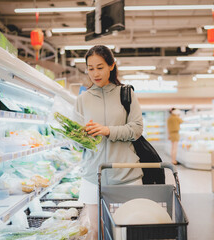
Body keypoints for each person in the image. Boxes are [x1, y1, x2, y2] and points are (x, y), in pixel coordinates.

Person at [75, 45, 143, 238]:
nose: (95, 73)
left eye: (100, 67)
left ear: (111, 66)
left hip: (126, 175)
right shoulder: (82, 99)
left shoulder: (126, 94)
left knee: (125, 231)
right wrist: (79, 137)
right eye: (90, 68)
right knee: (96, 231)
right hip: (92, 177)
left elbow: (136, 129)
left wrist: (107, 131)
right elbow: (76, 144)